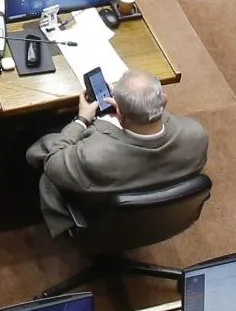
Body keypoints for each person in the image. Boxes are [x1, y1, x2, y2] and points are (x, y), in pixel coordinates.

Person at [26, 70, 209, 237]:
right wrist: (139, 105)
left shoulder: (93, 157)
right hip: (164, 219)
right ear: (165, 100)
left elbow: (52, 162)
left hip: (101, 222)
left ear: (118, 111)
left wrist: (81, 120)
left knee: (45, 151)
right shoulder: (197, 134)